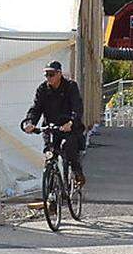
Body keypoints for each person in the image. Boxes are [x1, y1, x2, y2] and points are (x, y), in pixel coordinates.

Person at [21, 61, 85, 189]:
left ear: (59, 74)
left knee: (68, 146)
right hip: (51, 128)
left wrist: (71, 122)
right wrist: (30, 123)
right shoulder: (42, 89)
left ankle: (77, 172)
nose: (48, 78)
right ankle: (51, 193)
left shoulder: (70, 86)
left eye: (51, 74)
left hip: (68, 127)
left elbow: (77, 107)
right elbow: (36, 109)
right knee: (50, 154)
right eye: (46, 75)